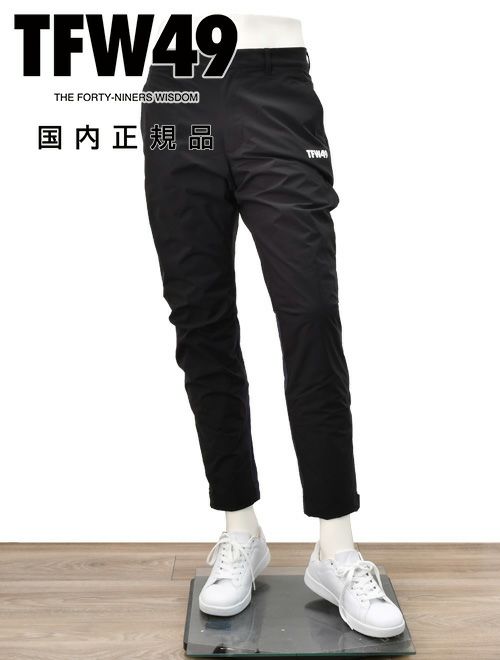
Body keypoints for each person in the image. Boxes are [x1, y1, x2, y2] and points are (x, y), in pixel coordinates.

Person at [141, 14, 405, 639]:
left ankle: (335, 547)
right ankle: (240, 530)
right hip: (177, 86)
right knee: (200, 315)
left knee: (310, 311)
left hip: (274, 83)